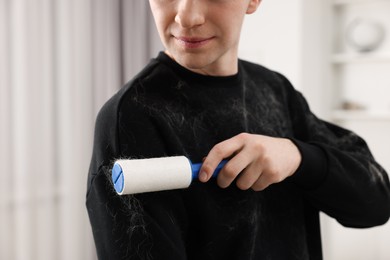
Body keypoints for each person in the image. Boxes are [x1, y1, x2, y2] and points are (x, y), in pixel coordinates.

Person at [86, 0, 390, 259]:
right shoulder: (131, 120)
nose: (186, 17)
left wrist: (297, 158)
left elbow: (375, 204)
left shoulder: (275, 90)